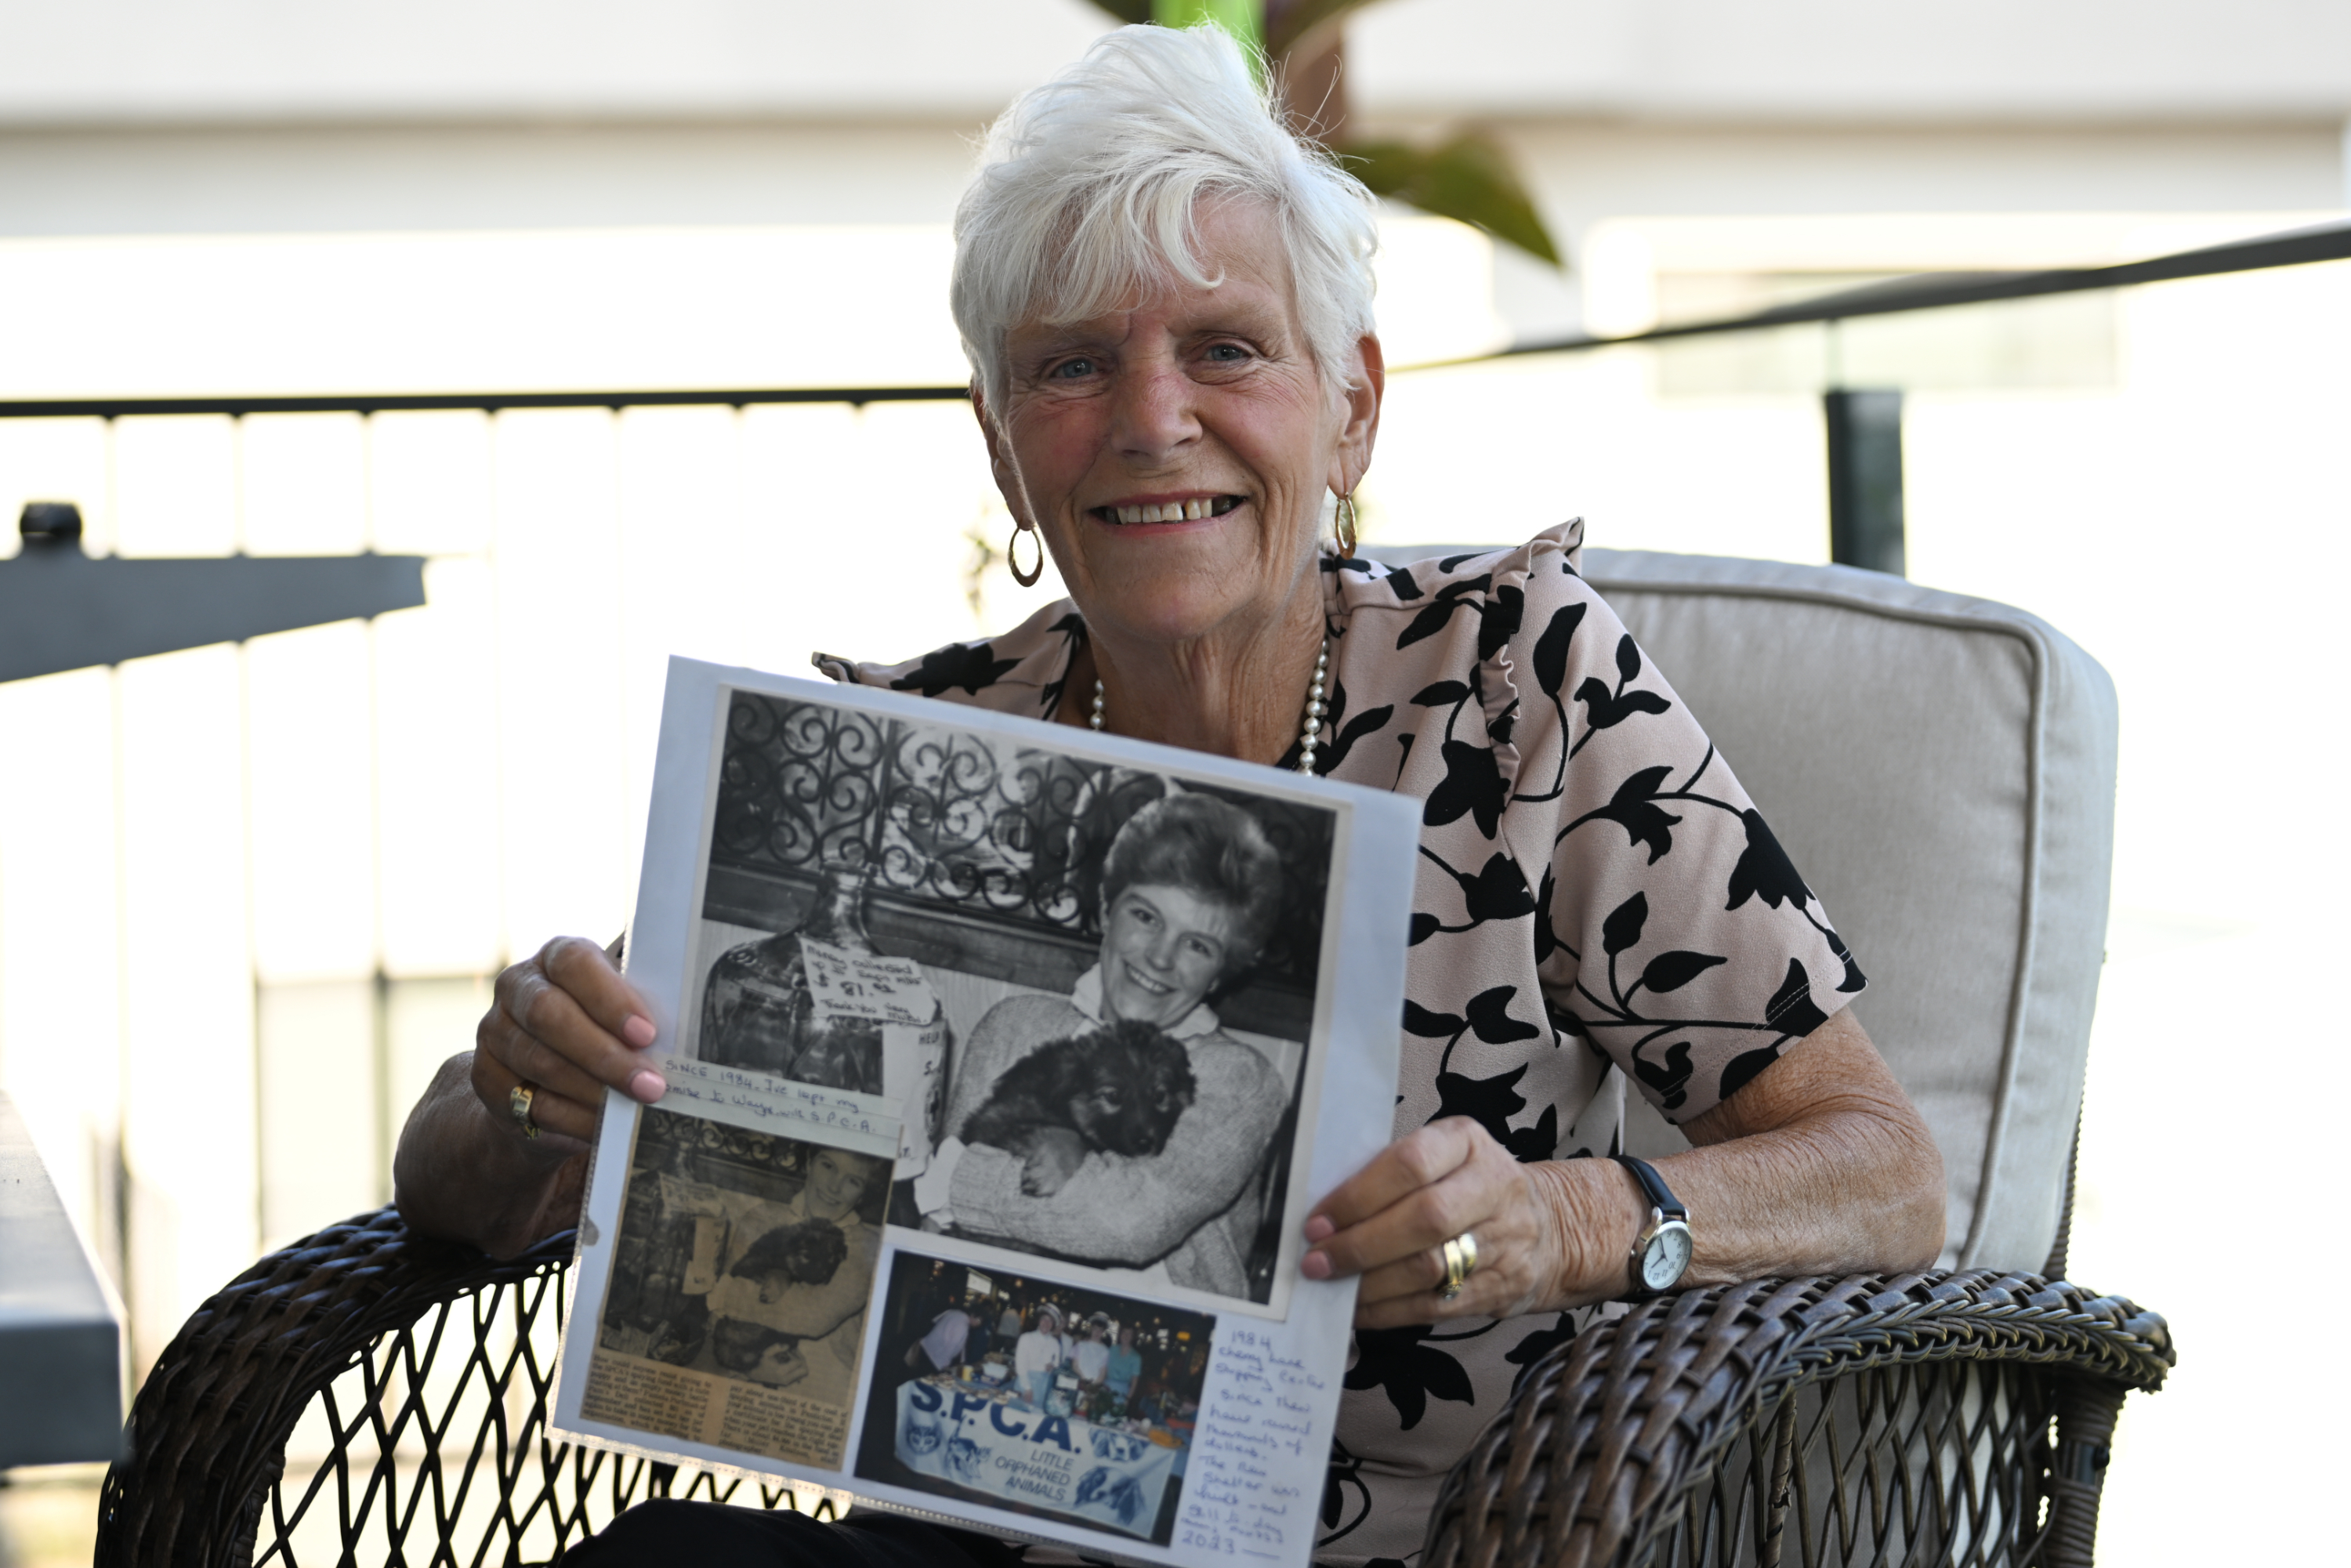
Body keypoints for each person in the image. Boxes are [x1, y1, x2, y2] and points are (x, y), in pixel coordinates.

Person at [393, 24, 1943, 1566]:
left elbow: (1884, 1171)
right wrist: (529, 1085)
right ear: (1005, 451)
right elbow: (466, 1187)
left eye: (1226, 347)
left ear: (1352, 406)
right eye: (1071, 365)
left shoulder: (1513, 686)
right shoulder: (919, 735)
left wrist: (1568, 1220)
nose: (1150, 420)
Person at [914, 791, 1287, 1298]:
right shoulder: (1013, 1027)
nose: (1160, 957)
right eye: (1146, 916)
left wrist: (959, 1177)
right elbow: (939, 1230)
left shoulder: (1239, 1078)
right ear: (1108, 908)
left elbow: (1125, 1223)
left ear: (1222, 971)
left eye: (1197, 945)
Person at [652, 1146, 887, 1407]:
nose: (834, 1187)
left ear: (864, 1194)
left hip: (822, 1391)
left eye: (853, 1181)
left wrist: (723, 1292)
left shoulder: (867, 1246)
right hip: (745, 1380)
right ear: (809, 1163)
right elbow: (717, 1322)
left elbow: (809, 1318)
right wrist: (750, 1369)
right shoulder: (761, 1218)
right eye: (828, 1166)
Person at [1012, 1305, 1069, 1411]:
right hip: (1024, 1383)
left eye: (1050, 1321)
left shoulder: (1055, 1343)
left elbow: (1056, 1368)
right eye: (1044, 1319)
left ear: (1053, 1325)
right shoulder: (1026, 1338)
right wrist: (1028, 1388)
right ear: (1039, 1320)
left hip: (1043, 1387)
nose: (1046, 1324)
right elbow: (1020, 1366)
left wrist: (1052, 1369)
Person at [1105, 1324, 1144, 1410]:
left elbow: (1134, 1383)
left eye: (1129, 1334)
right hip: (1106, 1388)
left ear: (1133, 1337)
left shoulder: (1136, 1357)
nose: (1126, 1336)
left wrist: (1127, 1400)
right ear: (1120, 1334)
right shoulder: (1112, 1350)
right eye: (1124, 1332)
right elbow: (1104, 1369)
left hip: (1122, 1393)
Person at [1071, 1313, 1113, 1388]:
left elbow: (1102, 1372)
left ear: (1103, 1332)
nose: (1097, 1332)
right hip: (1079, 1381)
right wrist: (1084, 1379)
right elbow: (1075, 1365)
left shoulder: (1105, 1351)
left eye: (1100, 1330)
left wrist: (1094, 1386)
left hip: (1094, 1386)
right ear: (1091, 1329)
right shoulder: (1081, 1345)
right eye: (1095, 1329)